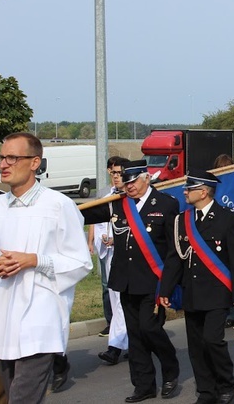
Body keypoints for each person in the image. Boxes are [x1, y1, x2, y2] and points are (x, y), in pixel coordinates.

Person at [0, 133, 92, 403]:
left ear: (35, 162)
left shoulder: (58, 205)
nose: (4, 164)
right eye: (2, 157)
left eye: (13, 157)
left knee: (23, 398)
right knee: (11, 395)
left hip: (39, 318)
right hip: (2, 319)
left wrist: (35, 260)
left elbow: (81, 262)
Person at [82, 159, 181, 403]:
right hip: (126, 280)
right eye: (125, 182)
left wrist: (168, 285)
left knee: (150, 329)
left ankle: (170, 370)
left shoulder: (166, 204)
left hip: (153, 281)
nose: (129, 186)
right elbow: (84, 213)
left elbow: (172, 250)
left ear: (146, 178)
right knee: (135, 336)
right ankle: (143, 385)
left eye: (133, 181)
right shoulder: (117, 204)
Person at [159, 170, 234, 404]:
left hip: (218, 292)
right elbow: (174, 258)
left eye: (189, 188)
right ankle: (206, 391)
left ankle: (226, 385)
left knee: (212, 340)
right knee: (196, 346)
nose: (184, 192)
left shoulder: (227, 218)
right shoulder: (182, 220)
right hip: (192, 292)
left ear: (204, 191)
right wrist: (165, 290)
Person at [90, 156, 130, 366]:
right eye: (113, 173)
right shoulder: (106, 195)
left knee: (125, 302)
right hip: (109, 253)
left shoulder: (132, 197)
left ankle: (116, 346)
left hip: (128, 257)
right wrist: (99, 240)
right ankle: (120, 344)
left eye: (120, 173)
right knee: (116, 302)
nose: (116, 177)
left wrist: (119, 238)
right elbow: (96, 222)